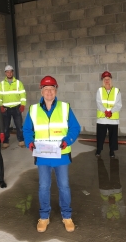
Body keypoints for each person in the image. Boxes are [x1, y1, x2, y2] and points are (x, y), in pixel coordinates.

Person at [23, 76, 81, 233]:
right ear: (41, 91)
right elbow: (27, 130)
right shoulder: (33, 110)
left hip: (61, 155)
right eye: (46, 89)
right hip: (42, 156)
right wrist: (29, 142)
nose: (49, 92)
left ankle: (67, 216)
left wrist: (67, 141)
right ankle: (44, 216)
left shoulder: (65, 107)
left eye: (52, 89)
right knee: (43, 186)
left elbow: (75, 128)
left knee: (64, 186)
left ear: (56, 90)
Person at [0, 65, 26, 149]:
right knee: (5, 127)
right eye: (7, 72)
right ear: (5, 73)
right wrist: (0, 106)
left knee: (19, 126)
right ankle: (5, 142)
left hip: (17, 108)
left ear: (13, 72)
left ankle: (21, 141)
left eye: (10, 71)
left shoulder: (18, 83)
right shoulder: (1, 84)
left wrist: (23, 104)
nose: (9, 73)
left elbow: (23, 94)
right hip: (5, 109)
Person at [96, 71, 122, 158]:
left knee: (113, 136)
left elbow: (119, 104)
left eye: (108, 79)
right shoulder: (99, 90)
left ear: (111, 80)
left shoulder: (116, 91)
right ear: (102, 80)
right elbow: (98, 103)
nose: (107, 81)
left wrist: (111, 111)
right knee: (100, 135)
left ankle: (112, 151)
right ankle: (98, 150)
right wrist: (105, 111)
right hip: (102, 118)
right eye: (105, 79)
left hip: (113, 118)